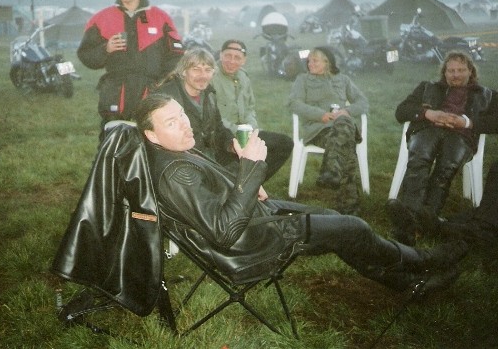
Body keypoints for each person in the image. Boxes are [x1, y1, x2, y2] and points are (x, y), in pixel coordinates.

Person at [135, 94, 467, 297]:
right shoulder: (175, 172)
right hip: (249, 244)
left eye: (182, 114)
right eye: (171, 122)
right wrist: (250, 169)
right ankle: (423, 262)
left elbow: (211, 193)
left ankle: (406, 281)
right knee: (353, 227)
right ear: (152, 135)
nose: (185, 124)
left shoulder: (175, 150)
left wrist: (242, 179)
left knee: (336, 220)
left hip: (253, 218)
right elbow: (223, 232)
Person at [386, 51, 495, 246]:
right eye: (451, 70)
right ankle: (412, 220)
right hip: (427, 130)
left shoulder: (486, 95)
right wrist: (428, 113)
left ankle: (419, 220)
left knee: (445, 169)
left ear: (470, 71)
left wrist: (467, 122)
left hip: (460, 136)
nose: (455, 75)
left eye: (461, 70)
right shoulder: (427, 87)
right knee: (419, 161)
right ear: (444, 72)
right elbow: (401, 111)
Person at [77, 0, 183, 131]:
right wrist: (106, 49)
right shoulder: (102, 18)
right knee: (113, 141)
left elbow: (177, 55)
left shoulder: (160, 17)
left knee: (150, 140)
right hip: (115, 94)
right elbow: (85, 54)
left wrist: (160, 83)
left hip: (150, 94)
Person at [288, 47, 369, 214]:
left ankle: (331, 173)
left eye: (315, 60)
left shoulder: (343, 80)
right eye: (309, 60)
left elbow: (363, 102)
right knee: (347, 146)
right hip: (319, 131)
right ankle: (349, 205)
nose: (310, 64)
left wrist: (347, 111)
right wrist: (320, 115)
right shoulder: (303, 80)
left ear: (327, 62)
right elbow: (295, 104)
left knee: (344, 123)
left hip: (343, 126)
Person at [211, 39, 293, 180]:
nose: (232, 61)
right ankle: (241, 182)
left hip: (245, 133)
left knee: (284, 143)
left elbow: (249, 108)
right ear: (220, 55)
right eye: (228, 56)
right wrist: (238, 131)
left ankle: (252, 183)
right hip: (222, 137)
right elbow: (213, 116)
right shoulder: (211, 77)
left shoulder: (243, 77)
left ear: (244, 60)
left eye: (237, 58)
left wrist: (251, 128)